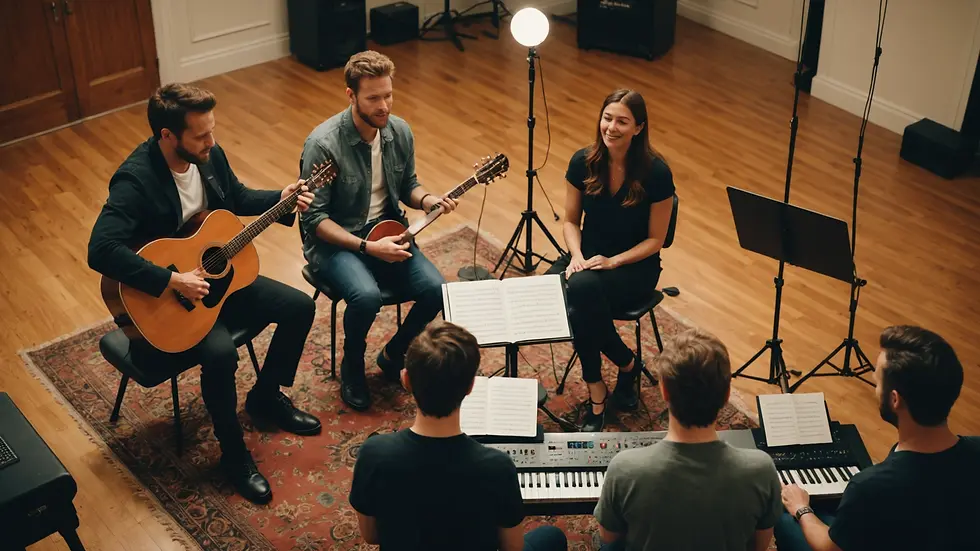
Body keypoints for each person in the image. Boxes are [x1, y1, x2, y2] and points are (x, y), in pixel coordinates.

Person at [88, 83, 322, 505]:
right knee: (220, 354)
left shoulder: (208, 157)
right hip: (173, 302)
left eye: (212, 131)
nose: (211, 142)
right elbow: (101, 250)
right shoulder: (135, 180)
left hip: (218, 284)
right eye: (200, 135)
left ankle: (265, 397)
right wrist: (171, 280)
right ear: (167, 136)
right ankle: (234, 456)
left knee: (299, 306)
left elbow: (235, 198)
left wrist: (281, 198)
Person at [299, 51, 455, 412]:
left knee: (436, 290)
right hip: (336, 242)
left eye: (388, 95)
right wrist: (369, 248)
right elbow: (314, 220)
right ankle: (353, 365)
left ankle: (394, 353)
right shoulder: (323, 144)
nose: (383, 106)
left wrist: (429, 199)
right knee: (366, 296)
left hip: (387, 229)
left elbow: (408, 185)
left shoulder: (398, 131)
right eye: (373, 98)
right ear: (350, 96)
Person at [348, 321, 567, 551]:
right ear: (471, 386)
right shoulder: (497, 467)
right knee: (552, 537)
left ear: (406, 380)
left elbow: (371, 536)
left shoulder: (373, 454)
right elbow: (512, 548)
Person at [774, 325, 979, 551]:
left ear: (895, 400)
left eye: (877, 381)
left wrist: (801, 508)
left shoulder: (870, 487)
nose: (875, 386)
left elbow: (829, 547)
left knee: (785, 520)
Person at [547, 89, 675, 432]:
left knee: (581, 293)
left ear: (639, 128)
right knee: (555, 290)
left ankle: (596, 397)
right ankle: (627, 364)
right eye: (607, 118)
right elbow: (570, 221)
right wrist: (577, 257)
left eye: (622, 121)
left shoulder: (657, 173)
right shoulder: (582, 161)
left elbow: (656, 240)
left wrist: (613, 261)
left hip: (633, 267)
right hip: (586, 260)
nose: (611, 127)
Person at [594, 327, 782, 551]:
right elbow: (758, 547)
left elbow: (608, 536)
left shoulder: (624, 469)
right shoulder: (761, 470)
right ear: (727, 394)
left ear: (664, 392)